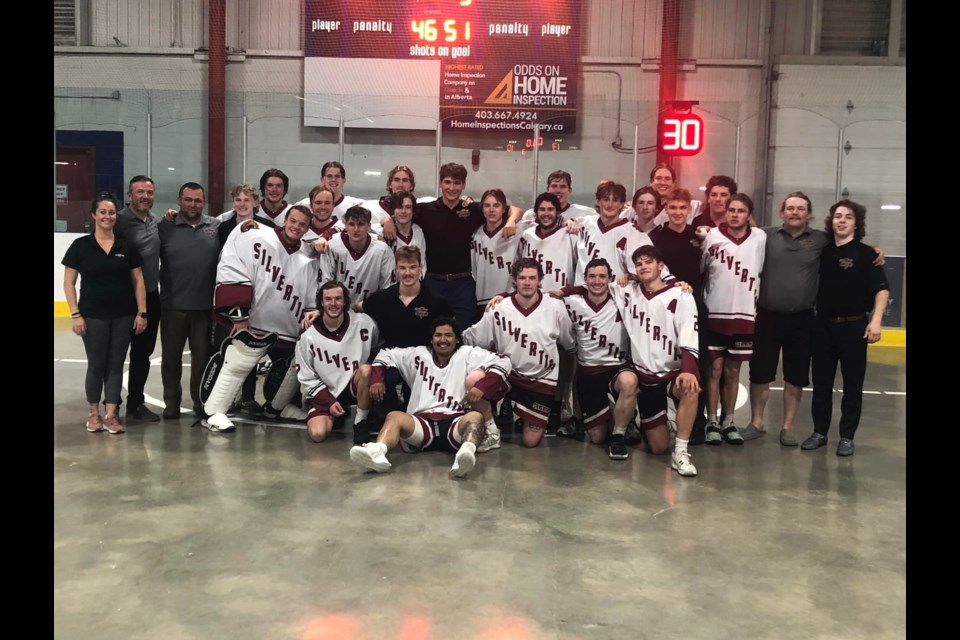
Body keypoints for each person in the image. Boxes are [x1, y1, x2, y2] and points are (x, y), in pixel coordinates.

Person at [742, 191, 882, 446]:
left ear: (809, 214)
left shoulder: (821, 240)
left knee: (796, 376)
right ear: (782, 211)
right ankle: (757, 423)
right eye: (790, 208)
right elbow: (739, 231)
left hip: (804, 320)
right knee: (760, 373)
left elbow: (851, 245)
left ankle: (788, 428)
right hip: (768, 317)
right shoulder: (764, 236)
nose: (795, 212)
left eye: (801, 209)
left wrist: (874, 250)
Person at [201, 205, 319, 432]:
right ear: (285, 220)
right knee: (239, 361)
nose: (296, 227)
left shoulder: (309, 255)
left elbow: (311, 294)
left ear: (307, 229)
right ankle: (214, 410)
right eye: (293, 221)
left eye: (302, 224)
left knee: (293, 366)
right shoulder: (256, 236)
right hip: (253, 322)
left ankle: (278, 407)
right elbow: (233, 264)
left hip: (287, 325)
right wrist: (238, 315)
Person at [349, 317, 511, 478]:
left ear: (457, 339)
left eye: (448, 335)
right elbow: (386, 353)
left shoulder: (467, 354)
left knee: (475, 417)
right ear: (431, 339)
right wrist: (377, 378)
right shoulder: (418, 354)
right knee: (394, 417)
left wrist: (482, 386)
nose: (443, 340)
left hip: (454, 423)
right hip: (421, 424)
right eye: (438, 335)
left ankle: (465, 455)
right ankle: (378, 452)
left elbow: (504, 362)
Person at [381, 162, 524, 331]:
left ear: (463, 185)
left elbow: (514, 209)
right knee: (430, 332)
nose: (452, 187)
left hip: (462, 284)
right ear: (440, 183)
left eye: (457, 183)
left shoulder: (472, 210)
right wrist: (388, 221)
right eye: (447, 182)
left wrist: (511, 220)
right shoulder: (426, 210)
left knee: (464, 332)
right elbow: (403, 214)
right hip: (433, 282)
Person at [339, 245, 455, 443]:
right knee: (376, 378)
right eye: (403, 268)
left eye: (412, 267)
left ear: (421, 268)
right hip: (389, 358)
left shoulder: (436, 301)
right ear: (396, 269)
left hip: (421, 361)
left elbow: (447, 335)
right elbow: (354, 308)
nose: (407, 273)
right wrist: (320, 313)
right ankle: (370, 419)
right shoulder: (381, 298)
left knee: (413, 412)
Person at [802, 200, 890, 457]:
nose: (842, 220)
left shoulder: (867, 254)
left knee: (853, 385)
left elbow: (882, 289)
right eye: (838, 216)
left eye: (848, 217)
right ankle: (819, 432)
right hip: (823, 327)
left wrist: (876, 321)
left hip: (854, 327)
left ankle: (847, 437)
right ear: (831, 221)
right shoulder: (822, 251)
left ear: (856, 223)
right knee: (821, 384)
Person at [464, 259, 577, 448]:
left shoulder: (555, 307)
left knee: (530, 441)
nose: (527, 282)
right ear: (514, 281)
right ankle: (492, 429)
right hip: (508, 374)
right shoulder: (499, 307)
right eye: (522, 278)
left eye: (532, 278)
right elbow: (477, 338)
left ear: (540, 280)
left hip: (541, 380)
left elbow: (568, 342)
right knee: (473, 381)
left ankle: (522, 412)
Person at [610, 245, 702, 476]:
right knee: (658, 446)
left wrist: (689, 369)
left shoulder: (681, 295)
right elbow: (594, 286)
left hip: (671, 373)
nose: (643, 266)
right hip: (643, 375)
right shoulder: (627, 291)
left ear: (661, 266)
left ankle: (680, 452)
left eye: (648, 262)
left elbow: (689, 333)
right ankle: (623, 429)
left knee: (691, 387)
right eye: (638, 264)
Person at [62, 192, 148, 435]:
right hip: (93, 316)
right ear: (94, 215)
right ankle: (93, 412)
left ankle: (111, 414)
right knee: (97, 365)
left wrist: (141, 313)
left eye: (111, 212)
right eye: (103, 212)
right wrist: (75, 314)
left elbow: (138, 279)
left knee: (115, 365)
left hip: (123, 315)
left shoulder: (125, 245)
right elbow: (69, 282)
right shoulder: (81, 246)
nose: (107, 216)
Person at [700, 193, 767, 445]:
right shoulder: (712, 237)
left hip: (745, 314)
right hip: (715, 311)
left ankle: (729, 421)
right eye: (731, 210)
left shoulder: (760, 237)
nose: (735, 214)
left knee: (733, 370)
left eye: (740, 210)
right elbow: (702, 270)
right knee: (714, 369)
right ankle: (712, 421)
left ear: (749, 214)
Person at [157, 182, 221, 420]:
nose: (193, 204)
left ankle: (200, 402)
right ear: (178, 200)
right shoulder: (164, 227)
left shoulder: (215, 226)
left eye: (198, 200)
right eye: (188, 199)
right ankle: (171, 402)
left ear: (203, 202)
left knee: (201, 360)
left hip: (204, 307)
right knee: (171, 360)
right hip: (172, 306)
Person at [555, 259, 631, 452]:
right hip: (588, 373)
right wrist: (504, 295)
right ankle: (616, 414)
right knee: (597, 438)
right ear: (585, 279)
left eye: (602, 276)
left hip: (617, 368)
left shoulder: (622, 299)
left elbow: (650, 284)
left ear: (610, 279)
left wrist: (678, 283)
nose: (597, 281)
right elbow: (536, 295)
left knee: (629, 382)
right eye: (592, 276)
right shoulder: (572, 303)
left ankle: (620, 433)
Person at [296, 281, 379, 443]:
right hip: (327, 391)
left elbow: (378, 348)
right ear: (321, 302)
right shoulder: (308, 336)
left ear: (345, 301)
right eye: (328, 299)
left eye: (338, 299)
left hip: (353, 386)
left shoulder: (364, 323)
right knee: (318, 434)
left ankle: (360, 422)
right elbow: (306, 377)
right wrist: (329, 401)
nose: (333, 303)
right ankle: (337, 413)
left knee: (366, 370)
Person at [114, 175, 161, 422]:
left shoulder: (155, 221)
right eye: (140, 192)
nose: (145, 196)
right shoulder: (117, 221)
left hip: (151, 297)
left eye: (149, 192)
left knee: (142, 355)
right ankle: (112, 405)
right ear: (130, 195)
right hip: (122, 300)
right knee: (116, 355)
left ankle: (136, 404)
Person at [316, 205, 395, 302]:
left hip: (369, 309)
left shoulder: (382, 250)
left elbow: (387, 287)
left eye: (361, 224)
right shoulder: (332, 246)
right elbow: (325, 284)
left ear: (369, 226)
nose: (356, 229)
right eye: (352, 224)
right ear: (345, 224)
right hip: (338, 309)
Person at [471, 188, 529, 317]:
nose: (491, 210)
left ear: (504, 209)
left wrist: (512, 220)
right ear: (482, 209)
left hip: (509, 297)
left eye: (496, 205)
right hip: (482, 298)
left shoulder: (518, 230)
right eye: (487, 206)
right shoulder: (475, 234)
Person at [572, 182, 634, 284]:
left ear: (621, 204)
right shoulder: (585, 223)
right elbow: (567, 224)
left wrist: (630, 275)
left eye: (615, 200)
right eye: (605, 199)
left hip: (614, 295)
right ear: (598, 201)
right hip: (581, 294)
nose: (610, 205)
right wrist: (568, 222)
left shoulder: (633, 232)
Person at [517, 192, 579, 290]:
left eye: (550, 209)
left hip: (561, 300)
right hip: (531, 299)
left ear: (558, 213)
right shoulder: (526, 235)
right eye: (542, 209)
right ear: (536, 213)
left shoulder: (569, 235)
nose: (546, 214)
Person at [519, 170, 596, 226]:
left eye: (562, 186)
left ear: (570, 190)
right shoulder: (531, 215)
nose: (558, 190)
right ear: (548, 189)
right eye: (554, 186)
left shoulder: (586, 213)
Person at [381, 191, 428, 278]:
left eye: (408, 207)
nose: (403, 211)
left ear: (413, 211)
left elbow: (422, 264)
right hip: (389, 288)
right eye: (399, 207)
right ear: (392, 210)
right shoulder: (382, 233)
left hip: (414, 286)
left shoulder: (418, 231)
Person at [295, 161, 363, 219]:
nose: (333, 180)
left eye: (337, 176)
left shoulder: (355, 205)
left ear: (344, 180)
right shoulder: (304, 205)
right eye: (329, 176)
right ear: (322, 180)